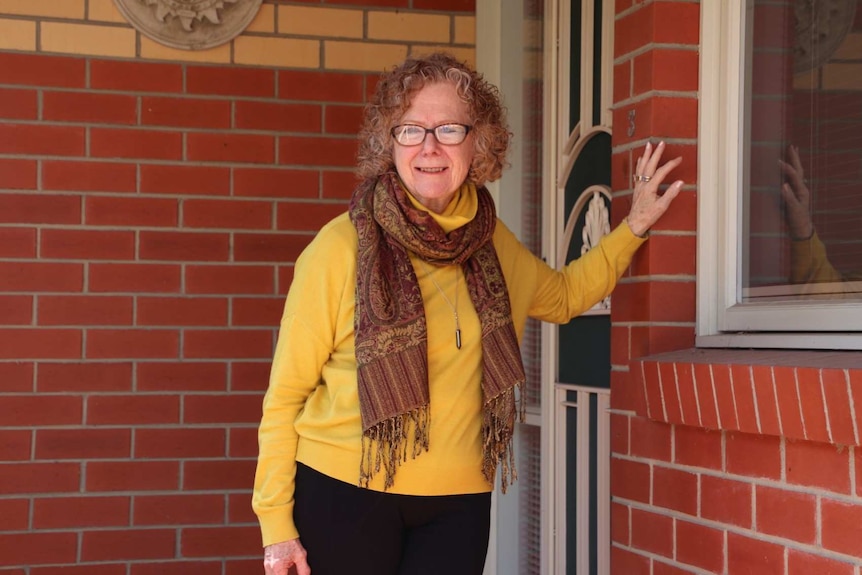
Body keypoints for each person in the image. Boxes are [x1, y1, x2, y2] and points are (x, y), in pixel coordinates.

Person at [252, 52, 683, 575]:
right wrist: (276, 526)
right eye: (410, 129)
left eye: (449, 128)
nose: (429, 146)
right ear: (389, 143)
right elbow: (285, 398)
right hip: (344, 493)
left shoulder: (491, 242)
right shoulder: (339, 248)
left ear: (478, 143)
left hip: (457, 503)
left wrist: (633, 225)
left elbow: (565, 295)